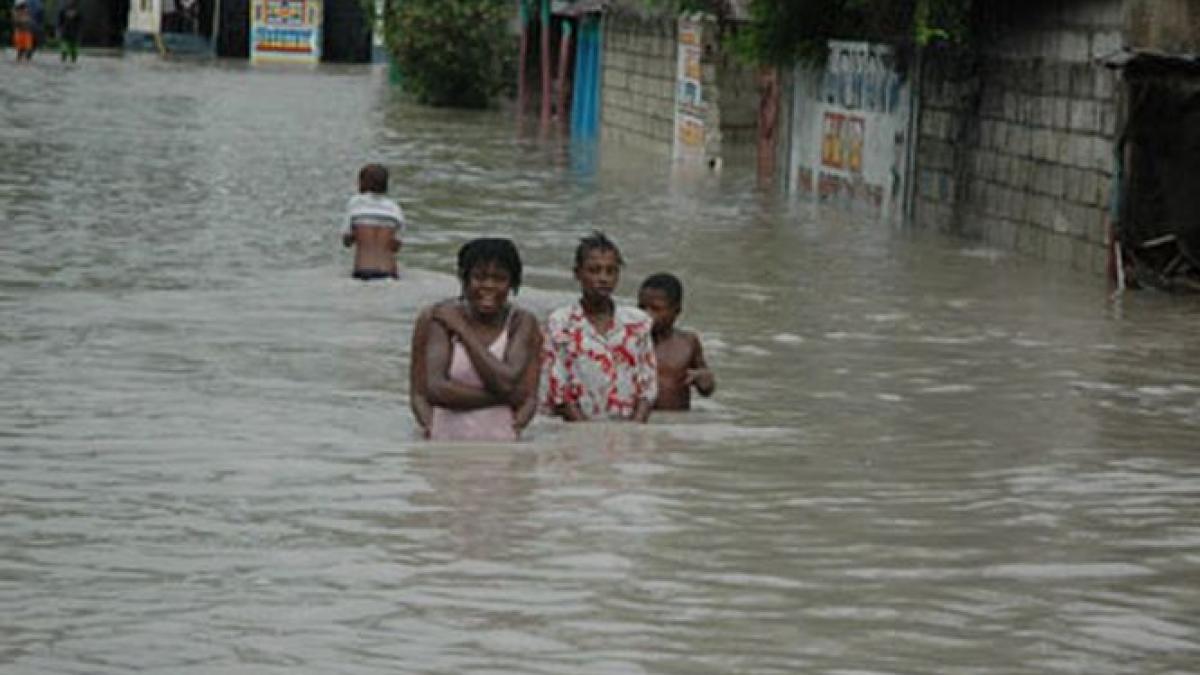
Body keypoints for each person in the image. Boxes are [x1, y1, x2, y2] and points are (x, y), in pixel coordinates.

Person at [412, 238, 542, 441]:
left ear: (512, 284)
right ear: (464, 279)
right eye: (479, 277)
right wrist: (504, 398)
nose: (488, 286)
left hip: (504, 447)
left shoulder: (522, 322)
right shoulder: (438, 318)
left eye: (499, 279)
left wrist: (463, 330)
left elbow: (512, 386)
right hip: (443, 444)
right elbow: (433, 390)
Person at [542, 231, 657, 423]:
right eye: (594, 270)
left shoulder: (638, 323)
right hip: (575, 428)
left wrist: (634, 433)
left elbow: (647, 386)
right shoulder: (560, 323)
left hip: (627, 429)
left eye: (610, 271)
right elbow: (559, 391)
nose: (603, 278)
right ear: (577, 273)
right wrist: (588, 435)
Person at [637, 273, 715, 411]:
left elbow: (706, 388)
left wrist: (704, 379)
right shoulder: (629, 340)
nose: (646, 314)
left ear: (676, 311)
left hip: (676, 424)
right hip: (638, 421)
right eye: (642, 307)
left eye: (656, 309)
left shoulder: (688, 343)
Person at [341, 163, 405, 280]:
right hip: (389, 271)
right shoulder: (395, 207)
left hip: (362, 270)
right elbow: (396, 246)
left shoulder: (355, 204)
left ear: (361, 183)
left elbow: (347, 241)